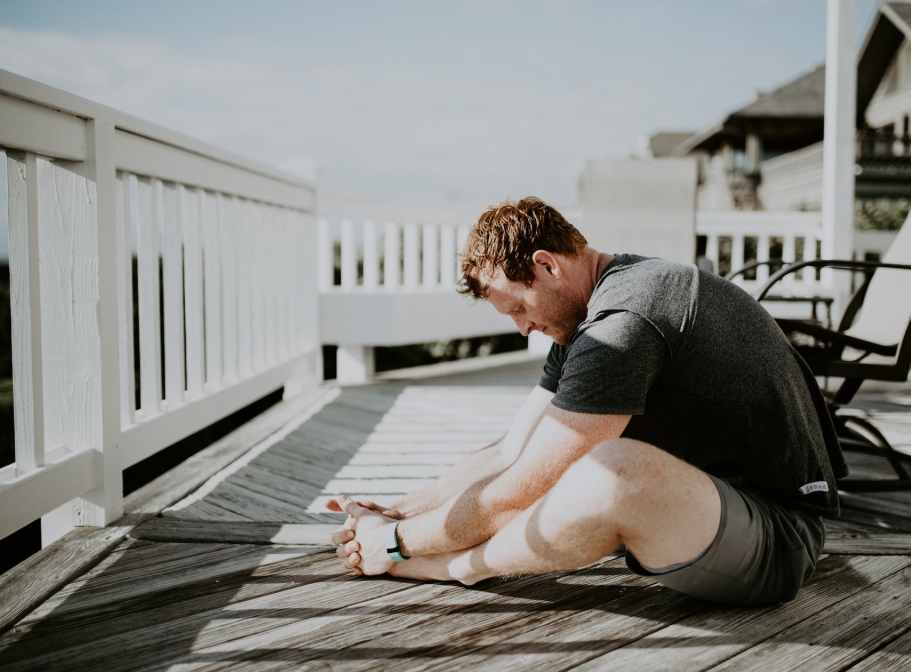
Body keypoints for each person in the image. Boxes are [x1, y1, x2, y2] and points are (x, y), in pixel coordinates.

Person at [329, 196, 847, 606]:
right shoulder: (586, 319)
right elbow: (511, 452)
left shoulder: (623, 323)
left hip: (777, 538)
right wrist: (397, 512)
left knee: (608, 472)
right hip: (705, 510)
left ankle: (457, 568)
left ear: (546, 265)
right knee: (563, 462)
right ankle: (430, 553)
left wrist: (399, 545)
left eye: (518, 307)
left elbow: (520, 489)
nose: (523, 327)